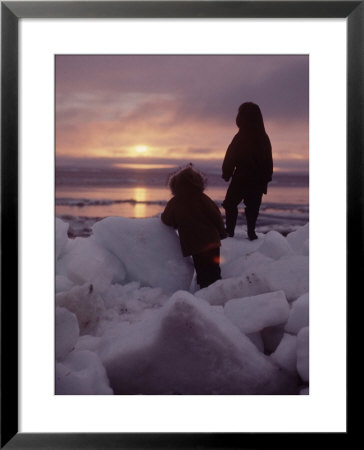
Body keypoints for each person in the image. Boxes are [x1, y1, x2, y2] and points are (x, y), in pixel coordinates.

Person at [161, 164, 227, 289]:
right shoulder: (203, 198)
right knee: (214, 270)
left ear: (175, 184)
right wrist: (222, 233)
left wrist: (178, 222)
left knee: (202, 272)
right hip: (212, 241)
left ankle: (206, 295)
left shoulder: (175, 202)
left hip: (195, 245)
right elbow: (216, 215)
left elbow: (166, 220)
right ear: (198, 182)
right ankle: (216, 295)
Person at [222, 102, 273, 240]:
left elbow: (230, 156)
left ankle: (230, 231)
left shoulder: (241, 136)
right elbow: (269, 161)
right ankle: (251, 231)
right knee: (252, 207)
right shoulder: (264, 137)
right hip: (258, 180)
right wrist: (266, 178)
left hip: (242, 177)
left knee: (230, 203)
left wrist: (226, 172)